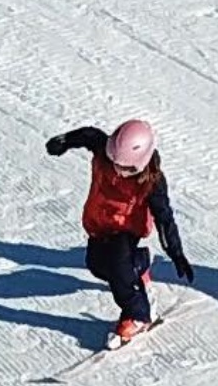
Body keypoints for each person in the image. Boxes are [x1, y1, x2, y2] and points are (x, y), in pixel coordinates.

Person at [45, 118, 194, 344]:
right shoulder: (104, 149)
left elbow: (164, 217)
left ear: (140, 163)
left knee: (119, 272)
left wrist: (176, 252)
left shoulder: (152, 182)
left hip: (127, 228)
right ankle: (140, 263)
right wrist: (64, 141)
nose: (117, 169)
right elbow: (88, 134)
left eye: (125, 168)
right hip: (100, 222)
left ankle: (138, 314)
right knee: (96, 265)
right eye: (114, 161)